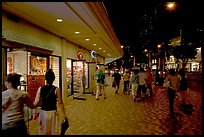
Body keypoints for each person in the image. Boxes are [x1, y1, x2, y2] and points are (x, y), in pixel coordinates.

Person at [33, 69, 67, 135]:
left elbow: (36, 102)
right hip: (53, 113)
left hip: (43, 113)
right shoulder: (56, 89)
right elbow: (60, 103)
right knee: (53, 131)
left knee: (43, 131)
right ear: (53, 79)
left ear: (45, 78)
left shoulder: (40, 88)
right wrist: (64, 115)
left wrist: (34, 113)